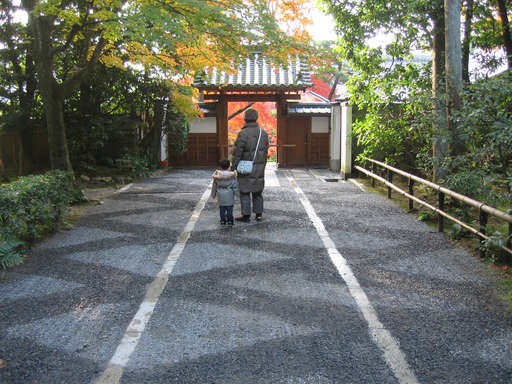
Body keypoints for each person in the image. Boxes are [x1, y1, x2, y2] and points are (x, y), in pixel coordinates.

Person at [231, 108, 269, 222]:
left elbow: (238, 153)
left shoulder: (243, 133)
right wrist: (263, 165)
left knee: (245, 192)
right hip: (259, 168)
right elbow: (266, 152)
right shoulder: (264, 133)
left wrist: (234, 166)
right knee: (258, 192)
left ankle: (246, 215)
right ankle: (258, 214)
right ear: (256, 117)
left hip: (245, 167)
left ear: (245, 118)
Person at [211, 159, 239, 225]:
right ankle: (230, 220)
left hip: (220, 194)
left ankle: (223, 220)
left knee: (222, 208)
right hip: (229, 193)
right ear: (229, 167)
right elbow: (235, 187)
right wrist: (238, 195)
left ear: (221, 167)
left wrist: (213, 194)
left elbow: (214, 186)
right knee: (229, 208)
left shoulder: (217, 175)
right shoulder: (232, 176)